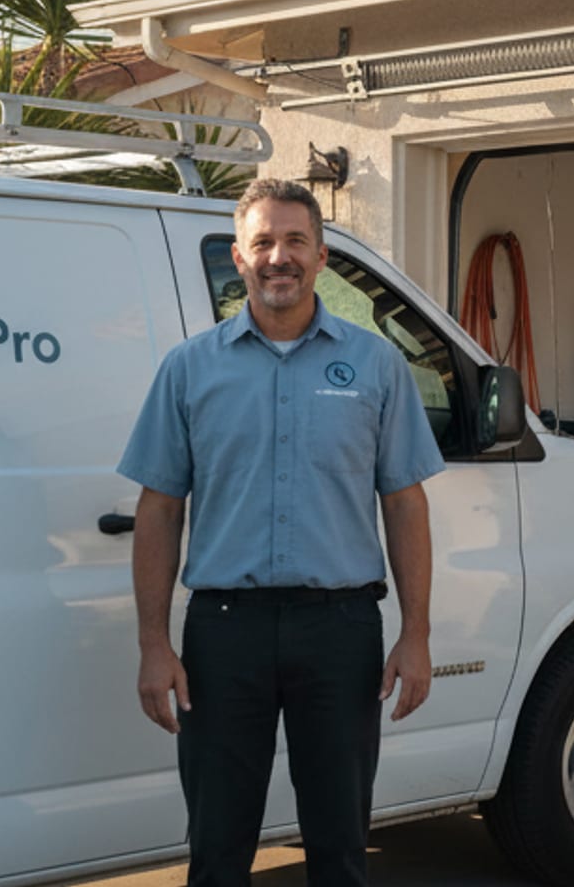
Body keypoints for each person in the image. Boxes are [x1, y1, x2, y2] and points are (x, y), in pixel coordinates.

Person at [117, 178, 444, 885]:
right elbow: (159, 509)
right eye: (262, 241)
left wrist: (415, 635)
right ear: (238, 257)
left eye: (295, 240)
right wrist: (153, 644)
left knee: (339, 847)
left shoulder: (375, 364)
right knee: (217, 846)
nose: (279, 257)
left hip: (341, 630)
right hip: (223, 634)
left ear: (322, 255)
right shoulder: (189, 369)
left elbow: (406, 503)